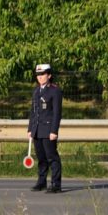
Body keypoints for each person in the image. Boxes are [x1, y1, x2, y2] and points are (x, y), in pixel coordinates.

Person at [28, 64, 63, 193]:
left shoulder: (55, 91)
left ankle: (56, 184)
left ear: (49, 75)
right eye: (38, 75)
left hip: (48, 130)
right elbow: (33, 111)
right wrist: (30, 129)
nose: (40, 77)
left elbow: (56, 113)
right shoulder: (36, 91)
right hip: (37, 129)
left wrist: (54, 131)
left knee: (52, 157)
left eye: (42, 74)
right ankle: (41, 182)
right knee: (41, 158)